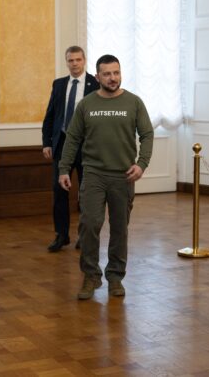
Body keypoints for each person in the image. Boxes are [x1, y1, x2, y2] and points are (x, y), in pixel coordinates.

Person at [59, 54, 154, 300]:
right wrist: (64, 168)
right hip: (93, 174)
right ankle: (91, 276)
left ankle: (115, 277)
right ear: (97, 76)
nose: (112, 78)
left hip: (123, 176)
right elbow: (72, 139)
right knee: (89, 224)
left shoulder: (134, 102)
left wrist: (142, 164)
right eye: (107, 74)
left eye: (116, 73)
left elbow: (147, 134)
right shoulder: (87, 104)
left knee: (120, 229)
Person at [42, 46, 99, 252]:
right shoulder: (59, 84)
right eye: (70, 60)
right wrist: (47, 142)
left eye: (77, 60)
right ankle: (61, 235)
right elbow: (50, 115)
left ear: (84, 60)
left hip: (87, 148)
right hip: (61, 146)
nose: (74, 64)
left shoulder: (95, 83)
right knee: (59, 193)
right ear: (66, 62)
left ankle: (84, 236)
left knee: (86, 194)